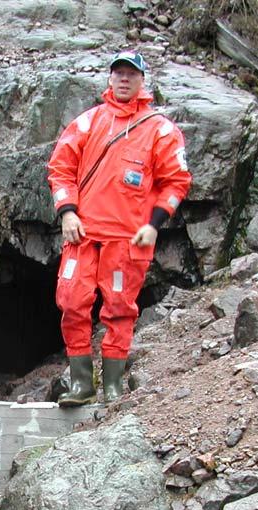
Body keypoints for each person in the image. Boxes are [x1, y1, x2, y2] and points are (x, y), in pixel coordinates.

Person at [47, 50, 192, 406]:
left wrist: (155, 224)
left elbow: (176, 181)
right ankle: (82, 384)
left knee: (119, 308)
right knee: (72, 302)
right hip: (83, 235)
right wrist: (67, 212)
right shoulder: (88, 123)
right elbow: (60, 168)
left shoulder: (160, 130)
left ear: (143, 80)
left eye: (131, 74)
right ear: (110, 79)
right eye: (118, 73)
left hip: (128, 239)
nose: (124, 79)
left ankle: (112, 386)